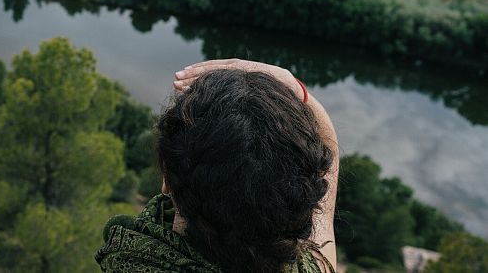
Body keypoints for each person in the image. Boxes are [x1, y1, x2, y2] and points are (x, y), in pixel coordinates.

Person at [96, 59, 339, 273]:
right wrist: (296, 91)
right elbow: (325, 215)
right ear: (301, 205)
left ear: (167, 181)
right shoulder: (308, 267)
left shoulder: (132, 261)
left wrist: (295, 92)